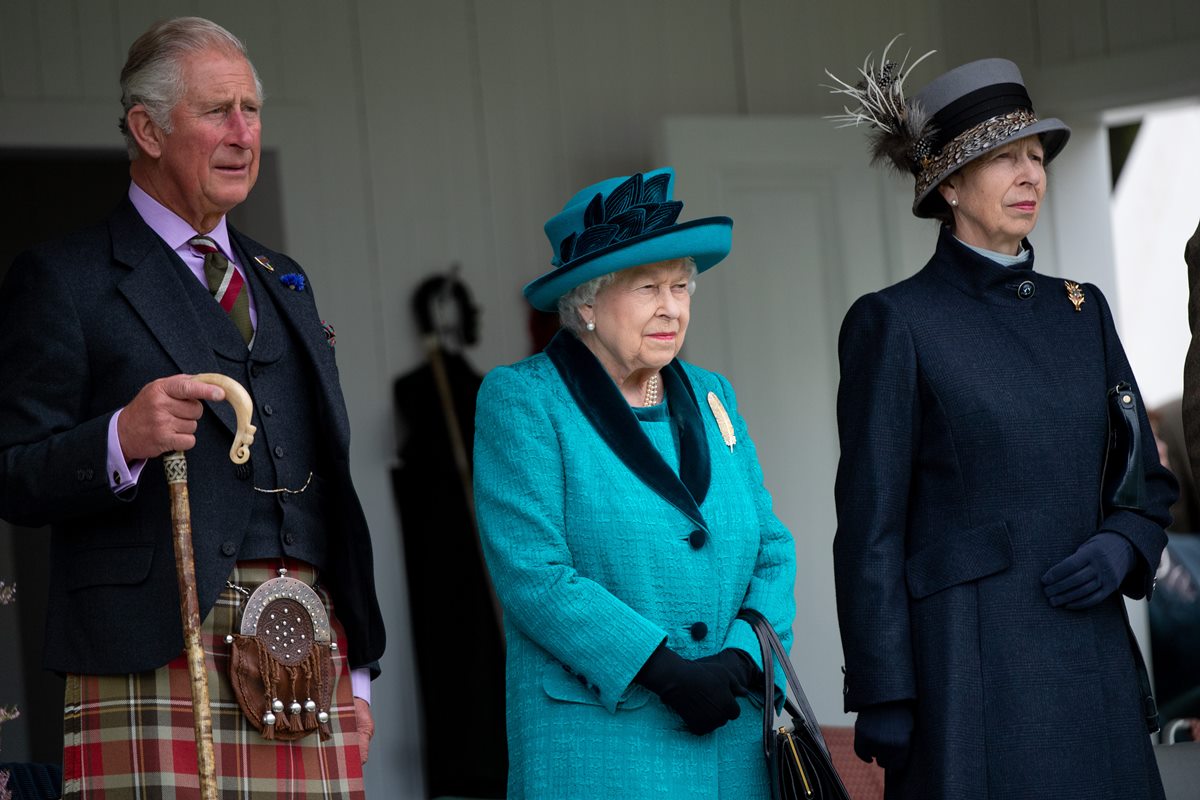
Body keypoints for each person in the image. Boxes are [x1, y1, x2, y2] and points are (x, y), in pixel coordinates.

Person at [0, 17, 384, 799]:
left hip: (308, 647)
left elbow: (333, 487)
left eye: (252, 108)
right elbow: (12, 473)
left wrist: (362, 669)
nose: (243, 131)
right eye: (217, 111)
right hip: (154, 647)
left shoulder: (285, 280)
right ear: (146, 128)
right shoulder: (65, 278)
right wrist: (119, 439)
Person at [827, 50, 1177, 798]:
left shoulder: (1083, 311)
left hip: (1090, 657)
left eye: (1036, 156)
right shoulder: (894, 322)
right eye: (1003, 159)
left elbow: (1146, 480)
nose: (1031, 176)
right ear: (948, 184)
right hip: (967, 669)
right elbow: (870, 527)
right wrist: (885, 685)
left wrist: (1124, 543)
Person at [472, 167, 796, 798]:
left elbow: (772, 549)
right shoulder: (525, 401)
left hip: (734, 746)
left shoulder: (712, 396)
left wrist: (742, 659)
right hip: (602, 747)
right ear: (587, 302)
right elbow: (534, 573)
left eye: (681, 286)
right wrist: (664, 669)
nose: (671, 307)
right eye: (647, 287)